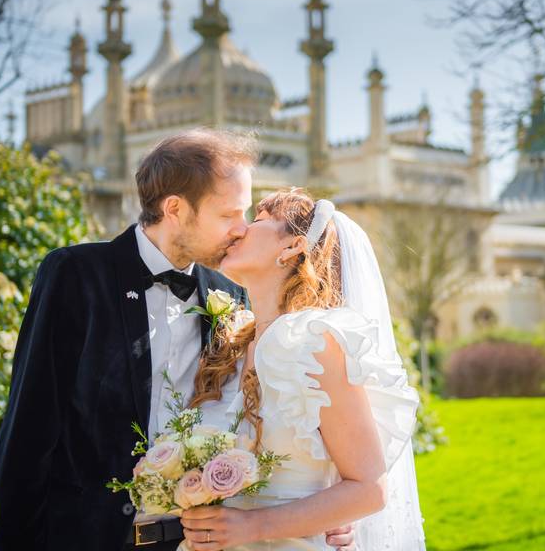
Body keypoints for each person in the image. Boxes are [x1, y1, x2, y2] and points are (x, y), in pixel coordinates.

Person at [0, 130, 355, 551]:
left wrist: (325, 514)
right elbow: (28, 428)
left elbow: (271, 418)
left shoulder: (231, 295)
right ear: (176, 209)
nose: (241, 230)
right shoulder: (75, 275)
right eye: (228, 215)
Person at [179, 188, 426, 551]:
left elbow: (368, 488)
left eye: (258, 221)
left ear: (292, 247)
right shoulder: (228, 348)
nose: (240, 229)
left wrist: (251, 526)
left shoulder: (314, 343)